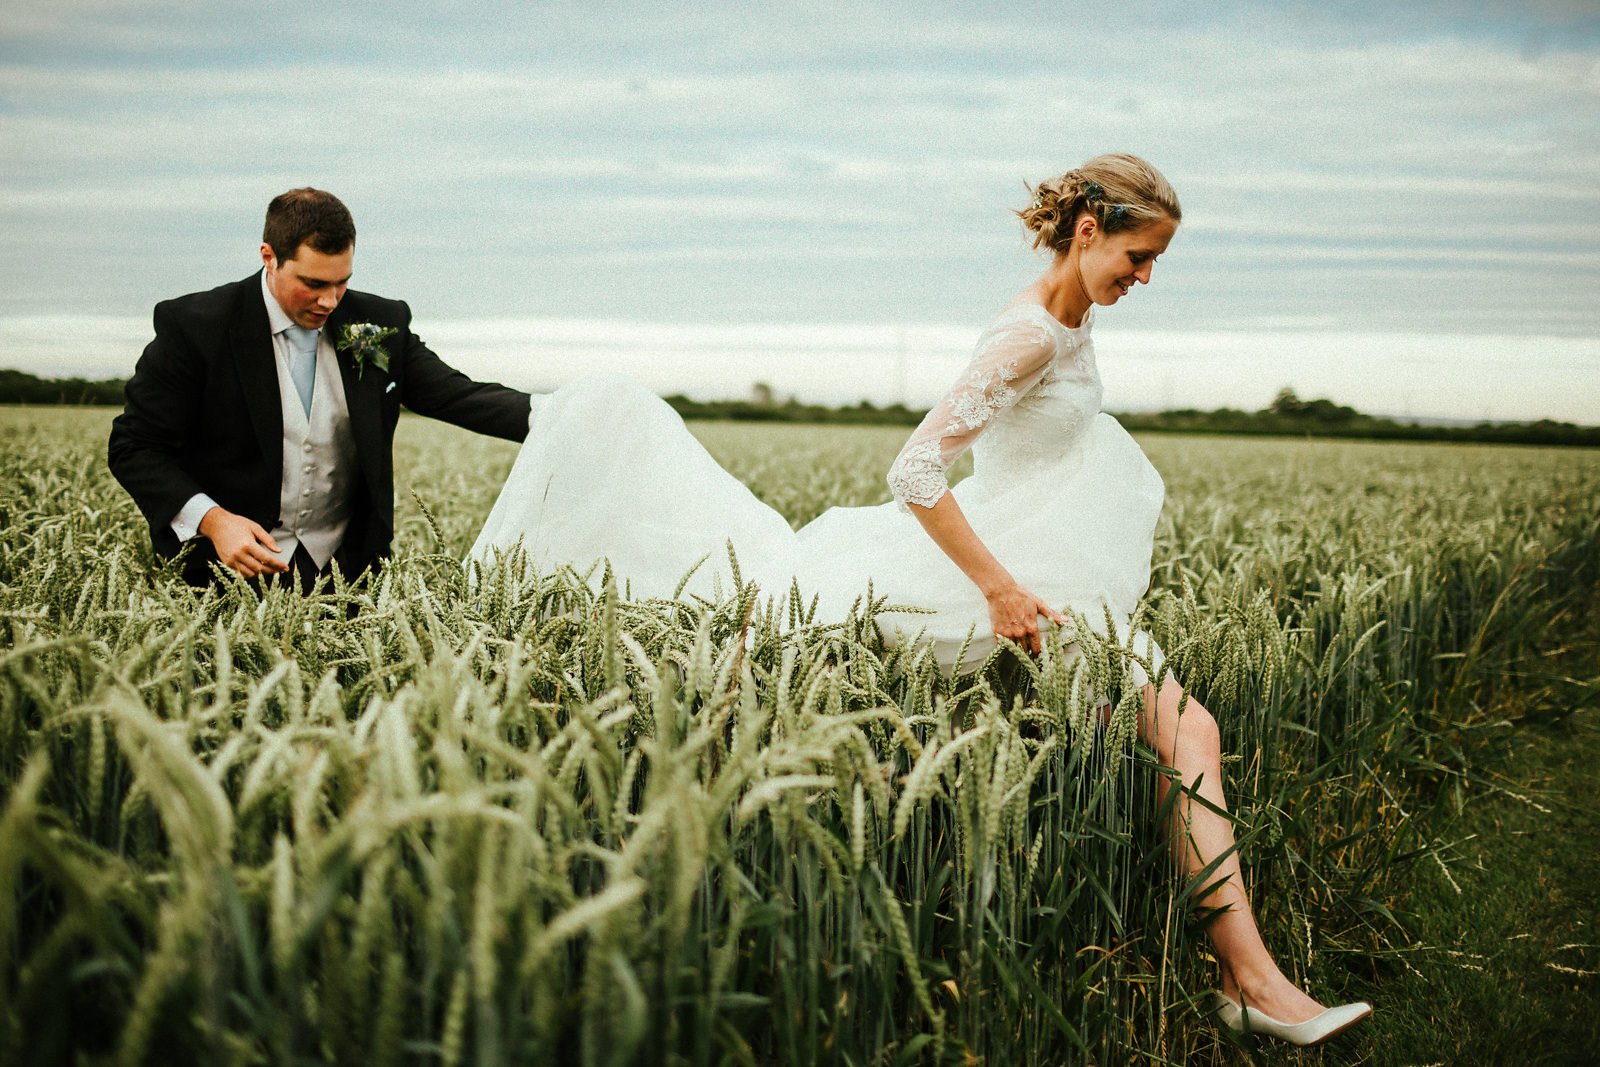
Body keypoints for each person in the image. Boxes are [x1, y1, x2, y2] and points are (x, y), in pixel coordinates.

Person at [470, 154, 1371, 1045]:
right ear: (1088, 230)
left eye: (1156, 263)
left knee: (1174, 735)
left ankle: (1232, 974)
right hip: (1006, 581)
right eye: (1138, 258)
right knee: (1188, 732)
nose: (1146, 278)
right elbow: (914, 468)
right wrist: (1000, 589)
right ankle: (1245, 979)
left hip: (1051, 570)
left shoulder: (1070, 316)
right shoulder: (1028, 336)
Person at [109, 188, 532, 589]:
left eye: (342, 282)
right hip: (220, 576)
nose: (330, 301)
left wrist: (571, 413)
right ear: (269, 257)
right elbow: (135, 446)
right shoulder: (195, 327)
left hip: (347, 576)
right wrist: (214, 520)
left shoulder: (378, 324)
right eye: (313, 284)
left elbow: (462, 398)